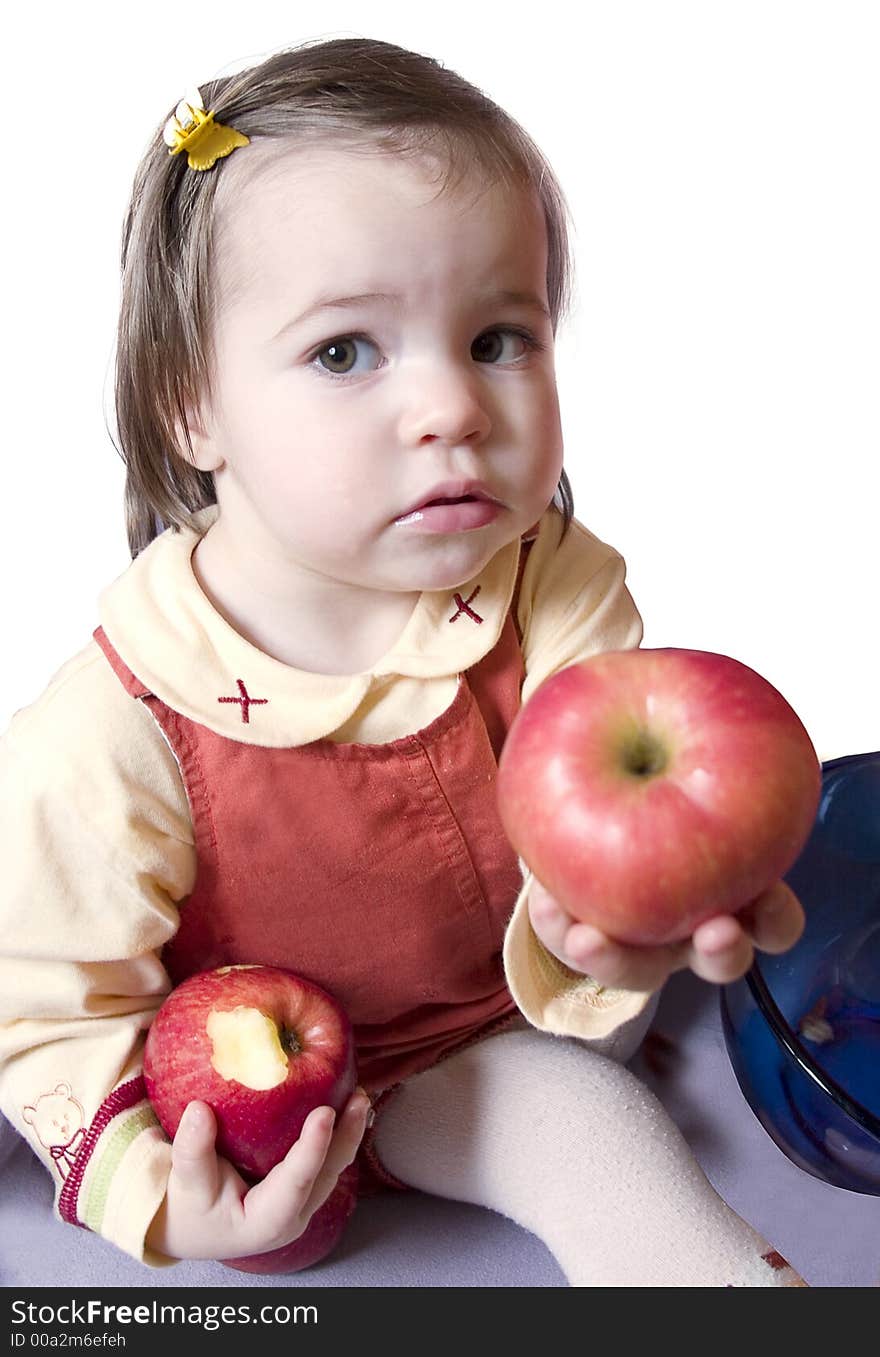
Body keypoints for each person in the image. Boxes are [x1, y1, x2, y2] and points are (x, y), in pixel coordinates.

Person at [0, 37, 808, 1286]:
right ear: (190, 407)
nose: (453, 406)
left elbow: (596, 843)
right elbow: (52, 1002)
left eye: (498, 338)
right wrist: (165, 1191)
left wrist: (633, 918)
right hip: (272, 1096)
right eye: (344, 352)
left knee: (577, 1127)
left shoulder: (557, 584)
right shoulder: (116, 727)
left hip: (479, 1046)